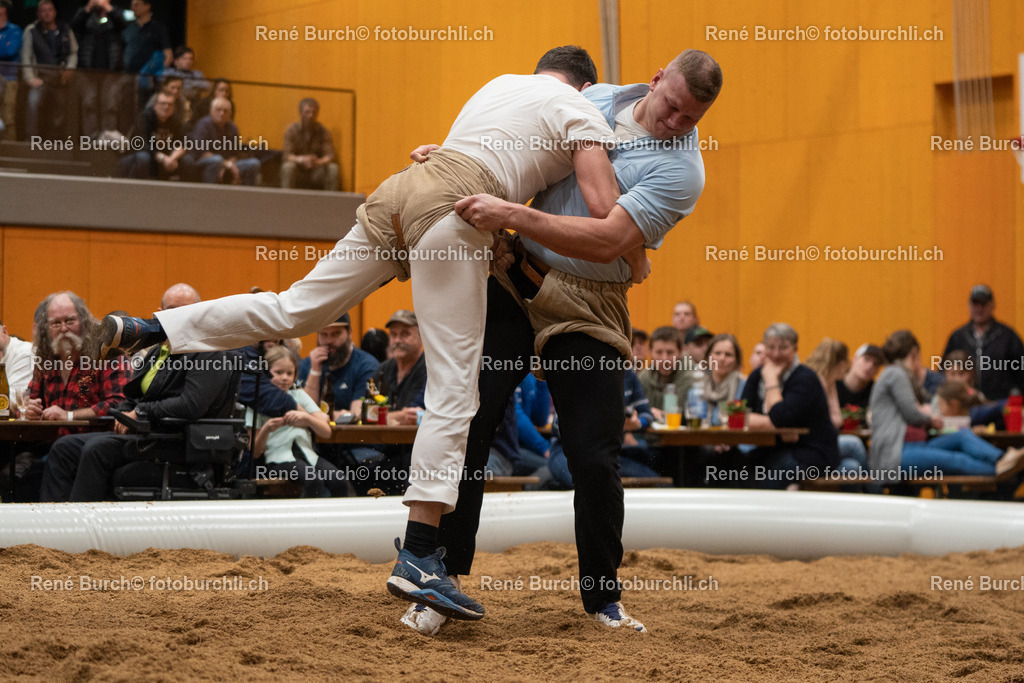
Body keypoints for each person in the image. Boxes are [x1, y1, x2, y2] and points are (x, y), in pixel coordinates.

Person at [100, 46, 621, 623]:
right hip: (454, 210)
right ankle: (422, 554)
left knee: (292, 308)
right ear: (584, 85)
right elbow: (604, 213)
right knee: (456, 392)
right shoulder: (582, 112)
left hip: (403, 187)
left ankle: (151, 326)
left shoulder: (498, 84)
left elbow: (462, 154)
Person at [418, 47, 722, 636]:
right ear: (656, 80)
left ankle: (603, 602)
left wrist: (509, 211)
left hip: (588, 303)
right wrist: (456, 162)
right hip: (515, 272)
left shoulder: (684, 170)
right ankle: (441, 581)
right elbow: (516, 145)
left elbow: (607, 243)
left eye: (692, 120)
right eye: (673, 107)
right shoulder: (593, 99)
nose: (676, 125)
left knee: (592, 453)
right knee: (470, 421)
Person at [870, 330, 1024, 480]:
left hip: (914, 446)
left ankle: (1003, 459)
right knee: (957, 460)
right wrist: (931, 419)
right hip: (895, 454)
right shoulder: (895, 373)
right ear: (914, 352)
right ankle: (1003, 472)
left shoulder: (898, 375)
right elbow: (912, 414)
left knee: (962, 436)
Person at [739, 324, 839, 489]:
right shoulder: (757, 375)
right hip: (772, 447)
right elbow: (741, 415)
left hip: (812, 451)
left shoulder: (805, 378)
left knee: (774, 473)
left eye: (783, 348)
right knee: (735, 466)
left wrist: (771, 381)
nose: (776, 354)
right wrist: (771, 423)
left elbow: (782, 418)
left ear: (795, 349)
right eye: (771, 347)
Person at [249, 346, 350, 497]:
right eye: (278, 372)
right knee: (313, 480)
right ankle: (307, 519)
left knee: (339, 480)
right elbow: (254, 453)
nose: (285, 378)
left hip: (307, 454)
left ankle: (333, 519)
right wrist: (266, 429)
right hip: (278, 458)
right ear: (266, 373)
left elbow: (326, 432)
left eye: (290, 373)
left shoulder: (299, 395)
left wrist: (306, 418)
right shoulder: (257, 401)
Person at [942, 285, 1024, 400]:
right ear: (969, 306)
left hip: (1000, 406)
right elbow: (943, 371)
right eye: (975, 303)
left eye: (983, 304)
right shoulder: (958, 337)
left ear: (992, 305)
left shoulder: (1008, 337)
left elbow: (1021, 374)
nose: (979, 308)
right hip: (965, 405)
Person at [804, 338, 867, 473]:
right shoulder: (816, 382)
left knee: (852, 467)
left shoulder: (830, 382)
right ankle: (874, 493)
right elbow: (834, 422)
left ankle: (866, 492)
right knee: (855, 444)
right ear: (842, 363)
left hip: (822, 441)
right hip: (812, 444)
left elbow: (836, 422)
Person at [298, 314, 379, 420]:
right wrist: (315, 371)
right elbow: (302, 410)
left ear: (349, 333)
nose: (329, 341)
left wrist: (316, 417)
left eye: (335, 334)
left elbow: (357, 415)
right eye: (323, 334)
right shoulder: (308, 364)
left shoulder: (366, 366)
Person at [21, 0, 77, 140]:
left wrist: (70, 68)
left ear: (55, 12)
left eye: (49, 10)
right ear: (39, 14)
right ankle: (32, 139)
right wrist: (30, 78)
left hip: (60, 78)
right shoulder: (31, 30)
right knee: (33, 102)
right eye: (43, 11)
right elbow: (26, 56)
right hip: (40, 77)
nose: (47, 13)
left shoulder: (65, 29)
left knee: (61, 109)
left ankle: (56, 141)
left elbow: (73, 52)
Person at [72, 0, 126, 137]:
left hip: (112, 69)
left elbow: (123, 23)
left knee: (110, 104)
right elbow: (75, 25)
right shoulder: (85, 13)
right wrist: (88, 8)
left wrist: (108, 8)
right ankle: (91, 138)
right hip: (88, 70)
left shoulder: (115, 12)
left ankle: (108, 137)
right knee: (89, 104)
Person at [186, 96, 260, 185]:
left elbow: (234, 154)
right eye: (218, 110)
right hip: (204, 162)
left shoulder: (233, 128)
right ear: (211, 111)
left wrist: (228, 166)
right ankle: (209, 195)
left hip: (227, 165)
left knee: (254, 163)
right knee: (216, 160)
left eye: (225, 111)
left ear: (230, 113)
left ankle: (248, 196)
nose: (222, 113)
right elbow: (201, 153)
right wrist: (225, 164)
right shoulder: (203, 125)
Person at [119, 89, 184, 179]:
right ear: (155, 105)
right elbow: (143, 145)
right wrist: (163, 158)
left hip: (163, 159)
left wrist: (172, 158)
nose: (166, 107)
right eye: (163, 103)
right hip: (137, 157)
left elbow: (182, 144)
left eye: (170, 104)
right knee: (143, 157)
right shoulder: (145, 118)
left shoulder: (175, 121)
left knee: (187, 160)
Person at [281, 97, 338, 190]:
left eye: (314, 112)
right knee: (288, 167)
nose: (311, 115)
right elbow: (287, 155)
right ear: (300, 113)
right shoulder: (291, 130)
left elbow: (330, 156)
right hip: (298, 170)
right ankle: (285, 201)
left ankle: (331, 202)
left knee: (333, 168)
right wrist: (302, 159)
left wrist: (317, 162)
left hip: (316, 171)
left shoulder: (323, 131)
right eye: (307, 112)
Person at [639, 326, 691, 421]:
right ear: (650, 352)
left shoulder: (692, 376)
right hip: (649, 433)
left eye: (670, 352)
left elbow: (685, 415)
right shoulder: (644, 377)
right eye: (659, 352)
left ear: (681, 352)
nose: (664, 359)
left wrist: (649, 413)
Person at [836, 343, 884, 411]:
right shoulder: (833, 383)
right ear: (854, 359)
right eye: (866, 359)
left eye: (875, 364)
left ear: (877, 371)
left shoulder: (876, 392)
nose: (870, 366)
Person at [0, 0, 21, 140]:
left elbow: (9, 50)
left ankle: (10, 151)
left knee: (8, 118)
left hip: (9, 79)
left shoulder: (15, 30)